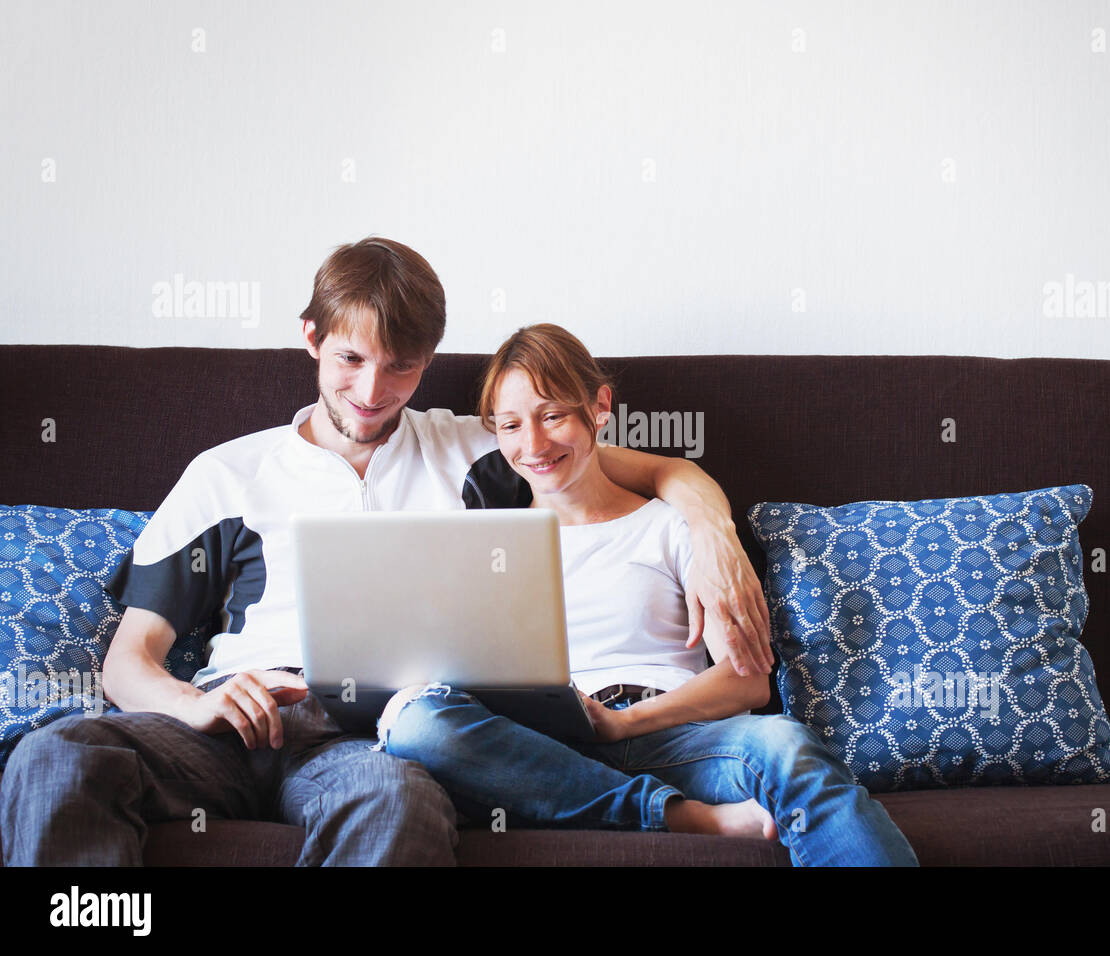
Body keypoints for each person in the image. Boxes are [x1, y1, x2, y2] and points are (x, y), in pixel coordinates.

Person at [0, 239, 773, 866]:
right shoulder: (228, 472)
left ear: (430, 358)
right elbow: (128, 659)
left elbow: (651, 468)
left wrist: (712, 531)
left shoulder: (480, 448)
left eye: (402, 366)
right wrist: (194, 704)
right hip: (227, 724)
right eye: (350, 361)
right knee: (55, 755)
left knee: (399, 804)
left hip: (368, 742)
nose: (373, 391)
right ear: (312, 339)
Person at [377, 323, 919, 866]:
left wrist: (625, 722)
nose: (533, 445)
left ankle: (605, 800)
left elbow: (748, 681)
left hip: (672, 738)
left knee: (785, 745)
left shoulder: (670, 527)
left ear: (600, 407)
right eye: (511, 425)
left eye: (553, 416)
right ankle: (677, 816)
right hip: (542, 749)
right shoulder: (489, 543)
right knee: (416, 723)